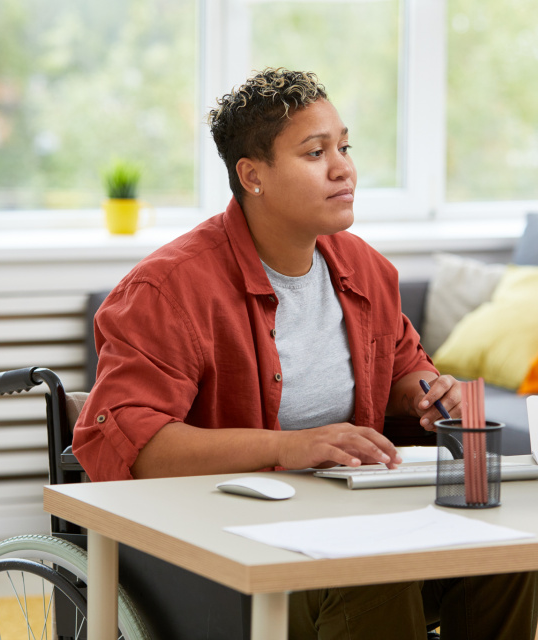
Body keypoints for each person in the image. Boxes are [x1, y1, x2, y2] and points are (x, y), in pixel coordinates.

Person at [73, 68, 537, 639]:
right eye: (315, 152)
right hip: (216, 549)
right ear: (252, 176)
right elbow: (130, 444)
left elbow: (401, 364)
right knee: (376, 571)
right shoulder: (168, 290)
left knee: (507, 556)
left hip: (342, 525)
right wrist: (292, 447)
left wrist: (425, 394)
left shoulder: (364, 267)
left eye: (343, 146)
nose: (343, 167)